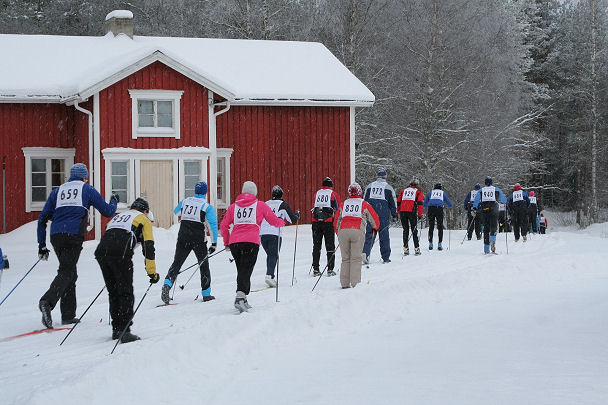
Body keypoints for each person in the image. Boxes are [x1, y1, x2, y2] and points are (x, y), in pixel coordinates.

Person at [37, 163, 118, 329]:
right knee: (67, 272)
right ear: (84, 177)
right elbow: (108, 212)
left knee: (69, 272)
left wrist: (42, 245)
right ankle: (47, 302)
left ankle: (68, 315)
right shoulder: (87, 189)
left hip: (56, 236)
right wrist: (114, 200)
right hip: (73, 235)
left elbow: (42, 219)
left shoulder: (57, 192)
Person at [94, 198, 160, 343]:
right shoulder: (143, 219)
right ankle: (125, 330)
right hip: (120, 253)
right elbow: (148, 247)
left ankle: (116, 329)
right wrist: (152, 273)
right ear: (145, 211)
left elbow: (115, 234)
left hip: (101, 252)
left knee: (114, 291)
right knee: (125, 292)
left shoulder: (118, 217)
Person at [220, 181, 286, 313]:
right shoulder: (260, 205)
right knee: (246, 269)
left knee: (242, 269)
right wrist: (281, 222)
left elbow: (223, 225)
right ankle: (240, 296)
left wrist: (227, 242)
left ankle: (243, 297)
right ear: (254, 192)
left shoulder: (233, 207)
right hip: (250, 242)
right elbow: (273, 220)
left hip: (235, 243)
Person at [161, 181, 218, 304]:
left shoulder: (185, 201)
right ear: (205, 192)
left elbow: (176, 212)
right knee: (203, 265)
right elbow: (212, 225)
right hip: (198, 238)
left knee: (177, 263)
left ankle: (167, 284)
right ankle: (206, 294)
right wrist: (214, 243)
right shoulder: (206, 206)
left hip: (183, 236)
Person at [335, 183, 379, 288]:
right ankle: (355, 283)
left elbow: (336, 219)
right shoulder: (364, 204)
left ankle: (344, 283)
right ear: (360, 192)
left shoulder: (343, 204)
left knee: (345, 258)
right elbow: (375, 219)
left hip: (343, 231)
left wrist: (338, 231)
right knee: (355, 258)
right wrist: (375, 227)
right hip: (357, 231)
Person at [260, 185, 300, 288]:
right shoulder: (283, 205)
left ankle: (271, 275)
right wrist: (297, 216)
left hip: (263, 233)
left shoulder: (266, 203)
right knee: (273, 255)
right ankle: (269, 276)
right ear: (281, 195)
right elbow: (292, 219)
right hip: (274, 233)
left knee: (270, 254)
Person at [361, 168, 397, 264]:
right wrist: (394, 214)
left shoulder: (369, 186)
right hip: (383, 213)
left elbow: (365, 200)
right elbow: (393, 203)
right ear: (385, 177)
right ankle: (385, 257)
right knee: (384, 235)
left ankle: (365, 252)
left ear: (377, 176)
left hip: (371, 213)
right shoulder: (388, 188)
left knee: (370, 234)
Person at [310, 177, 341, 276]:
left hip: (316, 222)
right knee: (330, 246)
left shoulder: (317, 193)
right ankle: (330, 269)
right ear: (331, 186)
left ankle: (315, 269)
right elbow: (338, 207)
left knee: (316, 246)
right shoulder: (333, 194)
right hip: (328, 222)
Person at [472, 176, 507, 254]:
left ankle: (486, 249)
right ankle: (493, 241)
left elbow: (476, 200)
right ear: (491, 182)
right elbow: (504, 200)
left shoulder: (481, 190)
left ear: (485, 183)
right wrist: (503, 201)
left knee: (486, 229)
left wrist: (474, 208)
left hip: (484, 211)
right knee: (493, 227)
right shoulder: (496, 189)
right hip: (494, 209)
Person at [397, 178, 424, 256]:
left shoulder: (403, 190)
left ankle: (406, 249)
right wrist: (420, 215)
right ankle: (416, 249)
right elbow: (419, 203)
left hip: (402, 211)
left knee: (405, 230)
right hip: (411, 211)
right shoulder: (418, 191)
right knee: (414, 230)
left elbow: (399, 201)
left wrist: (397, 212)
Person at [423, 183, 453, 250]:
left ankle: (430, 243)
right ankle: (439, 244)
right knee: (440, 226)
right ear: (440, 188)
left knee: (431, 226)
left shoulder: (431, 192)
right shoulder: (442, 193)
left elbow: (425, 201)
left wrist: (424, 207)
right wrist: (451, 206)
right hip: (439, 209)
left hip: (431, 208)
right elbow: (448, 200)